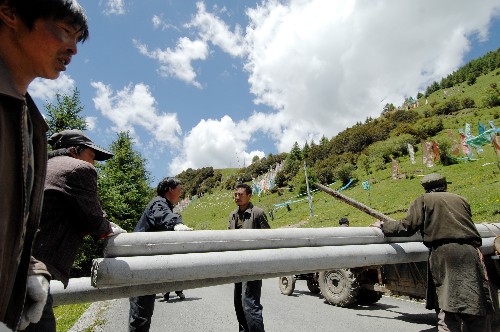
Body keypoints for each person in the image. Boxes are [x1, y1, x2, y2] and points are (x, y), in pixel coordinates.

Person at [0, 1, 89, 330]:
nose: (73, 49)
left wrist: (31, 269)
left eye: (78, 38)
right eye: (65, 30)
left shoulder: (31, 122)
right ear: (10, 12)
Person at [23, 129, 125, 331]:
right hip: (33, 274)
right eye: (91, 155)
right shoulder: (78, 169)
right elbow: (95, 221)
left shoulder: (41, 168)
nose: (93, 163)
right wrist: (111, 228)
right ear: (74, 150)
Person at [370, 173, 495, 331]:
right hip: (471, 252)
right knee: (475, 302)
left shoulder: (423, 200)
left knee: (449, 303)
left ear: (425, 188)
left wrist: (383, 226)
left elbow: (408, 226)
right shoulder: (461, 199)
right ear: (445, 185)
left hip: (445, 254)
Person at [129, 177, 193, 332]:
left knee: (143, 313)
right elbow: (162, 216)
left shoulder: (163, 204)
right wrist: (176, 223)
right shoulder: (158, 203)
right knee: (140, 315)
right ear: (170, 189)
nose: (181, 192)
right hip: (141, 265)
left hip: (145, 265)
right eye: (179, 188)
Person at [228, 183, 271, 332]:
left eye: (240, 194)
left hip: (253, 265)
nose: (237, 197)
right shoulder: (232, 215)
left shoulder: (257, 213)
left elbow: (268, 238)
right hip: (237, 266)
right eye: (235, 194)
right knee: (238, 304)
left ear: (249, 196)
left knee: (250, 304)